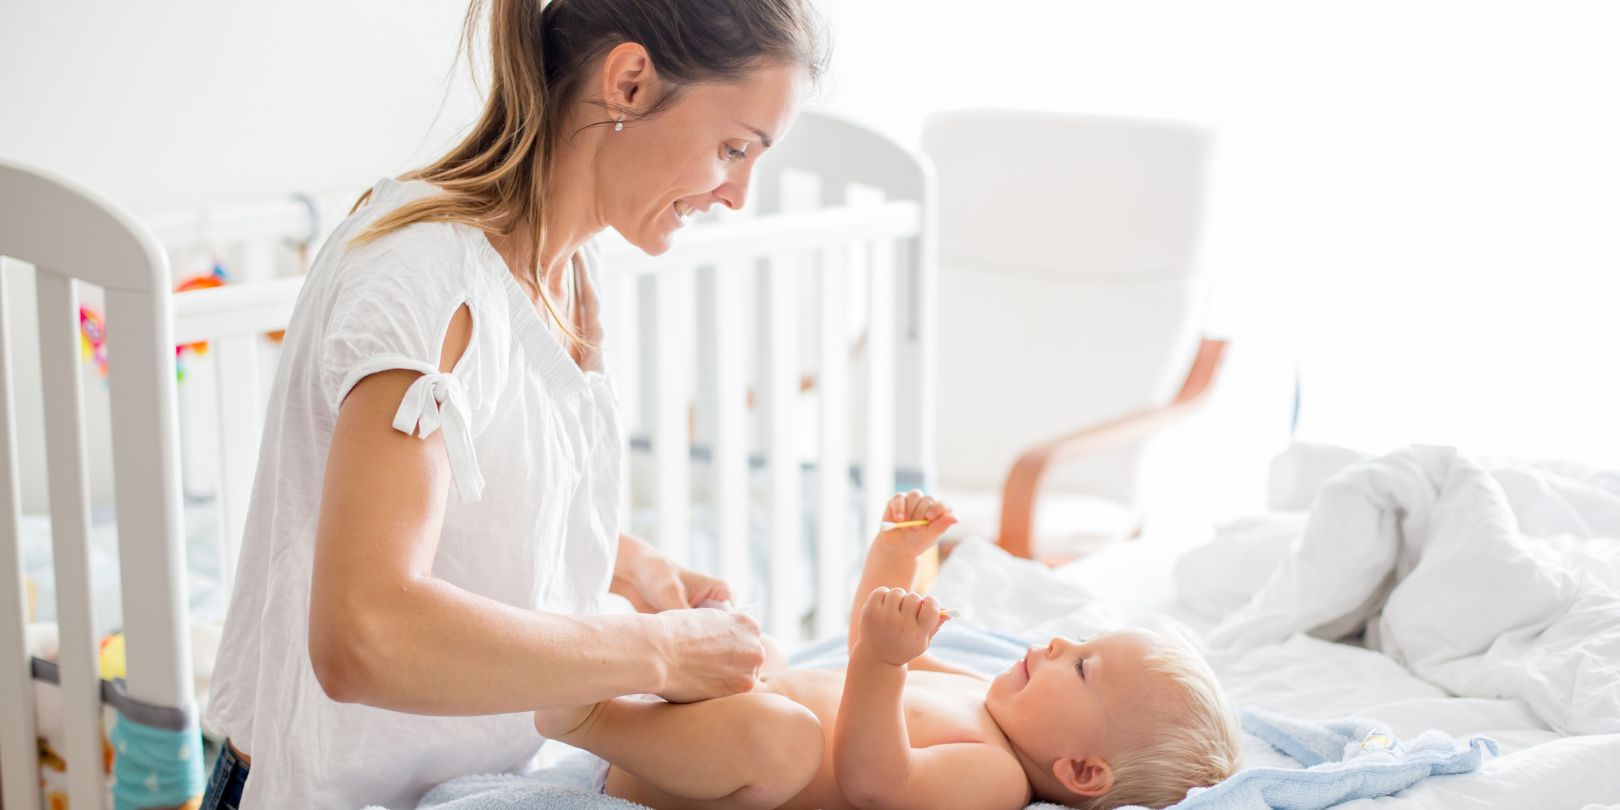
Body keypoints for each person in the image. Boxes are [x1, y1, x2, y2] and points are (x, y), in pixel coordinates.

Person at [200, 0, 829, 807]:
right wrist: (657, 652)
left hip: (470, 785)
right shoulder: (424, 278)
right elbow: (365, 634)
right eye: (734, 148)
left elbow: (477, 493)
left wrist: (629, 563)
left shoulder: (565, 279)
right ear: (631, 83)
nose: (739, 193)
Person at [535, 492, 1244, 809]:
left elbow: (877, 781)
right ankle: (640, 656)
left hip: (709, 778)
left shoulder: (995, 779)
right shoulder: (976, 690)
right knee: (767, 650)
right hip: (711, 730)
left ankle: (588, 717)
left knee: (782, 739)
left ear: (1082, 769)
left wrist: (883, 662)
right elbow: (861, 639)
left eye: (1082, 666)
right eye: (1079, 641)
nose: (1058, 641)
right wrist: (893, 556)